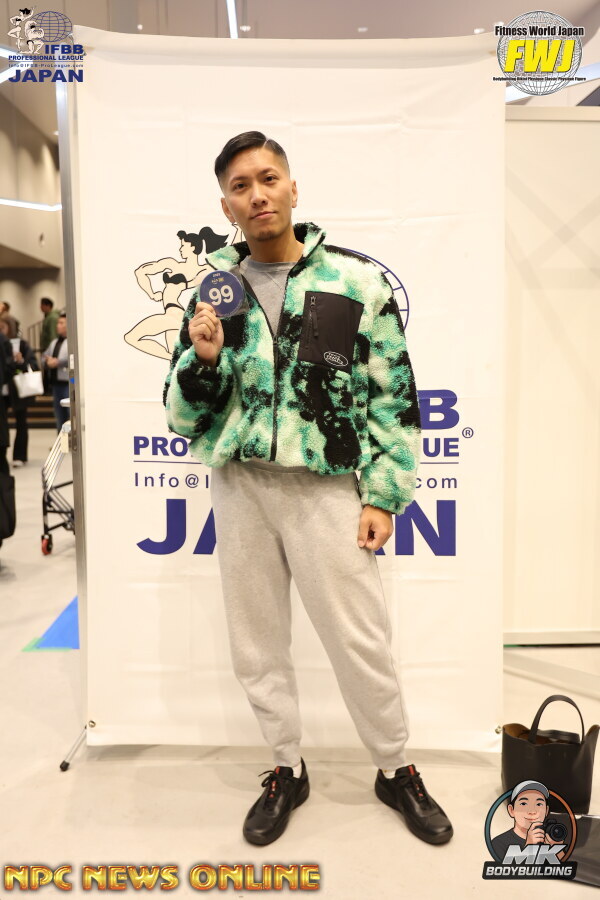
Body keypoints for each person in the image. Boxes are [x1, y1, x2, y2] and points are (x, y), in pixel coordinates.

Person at [164, 131, 453, 847]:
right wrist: (204, 361)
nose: (257, 195)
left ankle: (394, 768)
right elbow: (182, 414)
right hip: (241, 489)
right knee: (256, 644)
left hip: (326, 490)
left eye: (268, 179)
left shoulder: (356, 284)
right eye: (239, 186)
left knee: (360, 641)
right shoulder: (214, 292)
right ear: (226, 207)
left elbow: (392, 399)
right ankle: (285, 768)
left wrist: (383, 494)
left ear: (292, 188)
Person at [491, 781, 566, 862]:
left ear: (546, 811)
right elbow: (508, 869)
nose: (532, 811)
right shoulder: (499, 843)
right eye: (524, 804)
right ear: (511, 810)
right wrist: (529, 847)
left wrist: (557, 850)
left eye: (539, 804)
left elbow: (564, 868)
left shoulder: (551, 836)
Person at [0, 318, 39, 467]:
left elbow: (33, 365)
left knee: (21, 422)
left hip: (18, 389)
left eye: (3, 327)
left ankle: (20, 456)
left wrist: (21, 361)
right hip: (3, 392)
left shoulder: (22, 344)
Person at [42, 313, 69, 431]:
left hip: (68, 384)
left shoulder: (72, 342)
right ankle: (60, 440)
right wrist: (47, 362)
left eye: (61, 323)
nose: (58, 325)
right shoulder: (54, 342)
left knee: (70, 415)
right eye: (58, 323)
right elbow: (44, 356)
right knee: (59, 417)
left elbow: (74, 358)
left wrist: (59, 362)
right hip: (56, 385)